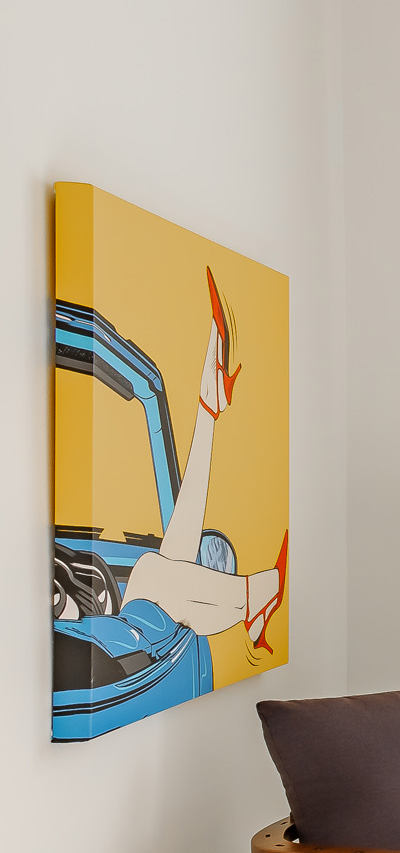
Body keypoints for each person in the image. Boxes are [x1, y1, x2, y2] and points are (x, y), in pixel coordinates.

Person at [123, 269, 286, 656]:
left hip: (105, 636)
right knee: (158, 584)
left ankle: (208, 407)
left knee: (153, 570)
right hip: (110, 648)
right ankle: (261, 593)